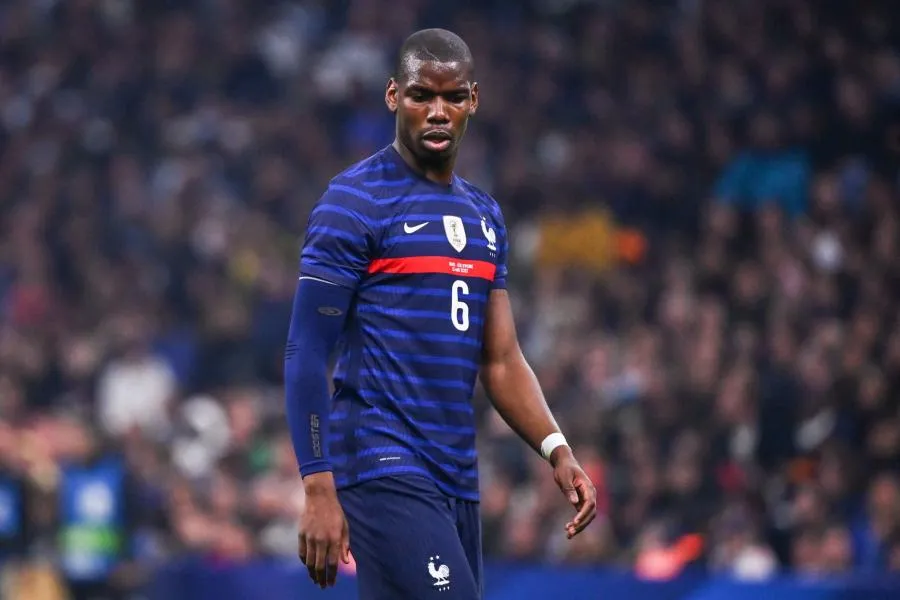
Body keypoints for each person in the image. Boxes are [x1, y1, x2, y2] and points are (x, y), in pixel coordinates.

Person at [284, 28, 597, 599]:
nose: (437, 112)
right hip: (380, 462)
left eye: (452, 97)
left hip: (455, 474)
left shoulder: (484, 216)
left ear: (473, 100)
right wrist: (317, 486)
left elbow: (501, 360)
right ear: (392, 96)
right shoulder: (353, 203)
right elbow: (306, 352)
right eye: (420, 95)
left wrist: (557, 448)